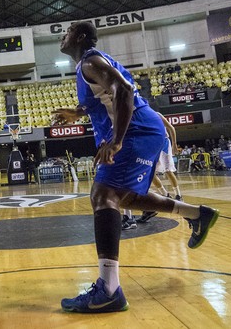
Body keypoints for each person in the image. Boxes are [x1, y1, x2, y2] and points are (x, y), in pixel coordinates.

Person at [53, 21, 219, 314]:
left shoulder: (91, 61)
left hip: (135, 131)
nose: (62, 37)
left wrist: (116, 141)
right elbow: (105, 97)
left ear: (79, 37)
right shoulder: (89, 66)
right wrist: (77, 112)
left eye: (66, 32)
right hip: (140, 130)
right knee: (124, 198)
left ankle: (108, 289)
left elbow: (125, 90)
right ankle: (197, 214)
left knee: (103, 196)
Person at [138, 112, 184, 223]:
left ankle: (178, 195)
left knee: (168, 171)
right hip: (152, 146)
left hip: (164, 143)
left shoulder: (156, 114)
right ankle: (165, 194)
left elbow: (171, 128)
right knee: (150, 173)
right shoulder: (140, 118)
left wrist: (174, 144)